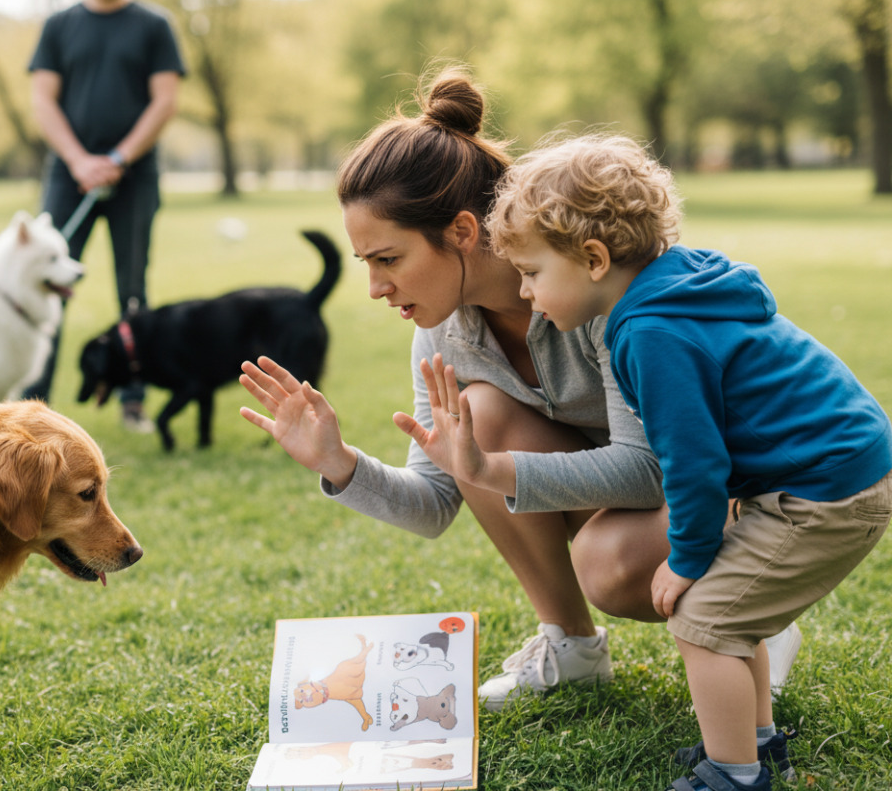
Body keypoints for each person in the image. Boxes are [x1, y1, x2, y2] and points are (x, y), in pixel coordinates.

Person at [239, 69, 800, 715]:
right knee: (476, 417)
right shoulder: (443, 334)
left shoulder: (598, 289)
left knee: (606, 563)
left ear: (462, 232)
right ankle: (572, 646)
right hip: (636, 497)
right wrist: (338, 463)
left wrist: (492, 469)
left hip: (720, 491)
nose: (375, 288)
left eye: (388, 259)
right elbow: (436, 502)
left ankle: (746, 607)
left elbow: (651, 468)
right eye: (367, 264)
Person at [417, 132, 891, 790]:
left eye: (532, 273)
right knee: (726, 615)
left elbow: (691, 466)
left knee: (704, 622)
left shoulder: (650, 332)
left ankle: (733, 774)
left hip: (824, 490)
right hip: (829, 473)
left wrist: (688, 558)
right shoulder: (670, 291)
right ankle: (757, 744)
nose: (524, 293)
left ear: (592, 259)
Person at [24, 0, 184, 430]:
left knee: (133, 289)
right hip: (68, 175)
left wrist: (118, 158)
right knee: (45, 282)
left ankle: (132, 400)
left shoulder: (155, 25)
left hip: (135, 175)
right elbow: (42, 101)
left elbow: (165, 101)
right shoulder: (58, 26)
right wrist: (79, 161)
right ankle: (30, 405)